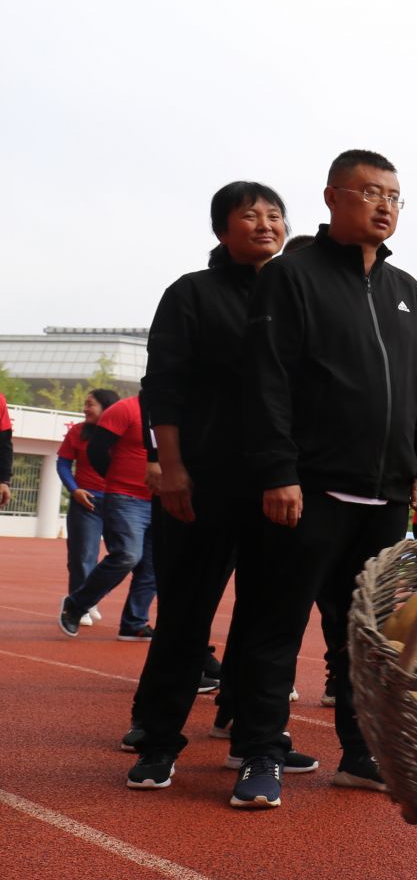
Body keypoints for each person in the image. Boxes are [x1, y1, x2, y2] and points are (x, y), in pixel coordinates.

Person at [223, 148, 417, 811]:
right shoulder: (291, 276)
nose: (385, 206)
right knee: (275, 623)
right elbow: (267, 382)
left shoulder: (407, 293)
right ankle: (261, 751)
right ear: (332, 197)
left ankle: (361, 751)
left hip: (384, 497)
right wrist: (279, 470)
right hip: (307, 490)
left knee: (365, 636)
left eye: (395, 197)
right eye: (371, 192)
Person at [124, 182, 307, 789]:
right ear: (221, 229)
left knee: (266, 616)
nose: (265, 223)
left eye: (274, 214)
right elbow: (164, 386)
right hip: (203, 479)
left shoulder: (299, 293)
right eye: (248, 215)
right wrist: (170, 465)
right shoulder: (192, 294)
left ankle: (255, 738)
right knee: (186, 613)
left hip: (277, 483)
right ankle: (156, 738)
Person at [57, 392, 158, 640]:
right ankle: (77, 604)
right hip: (123, 498)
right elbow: (96, 451)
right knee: (125, 555)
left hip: (160, 500)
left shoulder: (176, 413)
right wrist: (115, 481)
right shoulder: (125, 410)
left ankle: (134, 623)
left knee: (153, 566)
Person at [56, 387, 118, 623]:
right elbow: (63, 463)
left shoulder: (123, 433)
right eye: (85, 403)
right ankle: (80, 604)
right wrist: (75, 490)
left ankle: (87, 597)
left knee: (126, 556)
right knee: (83, 555)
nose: (85, 408)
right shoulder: (78, 432)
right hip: (86, 501)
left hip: (118, 502)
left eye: (90, 404)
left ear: (107, 407)